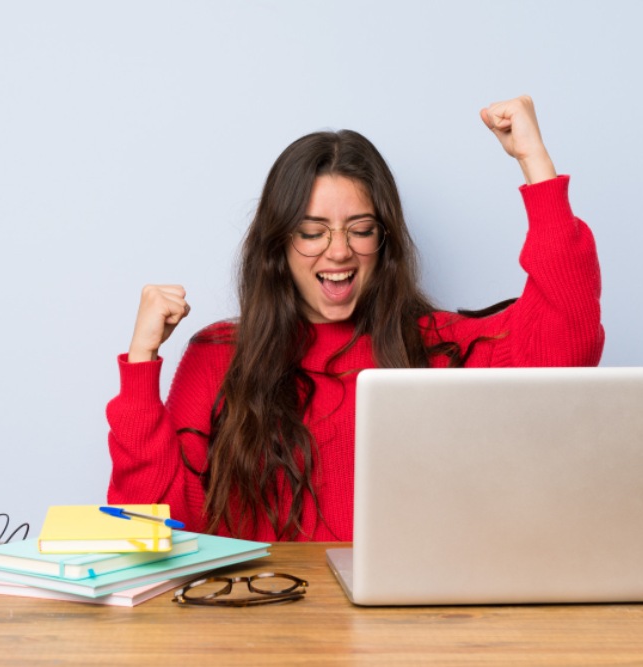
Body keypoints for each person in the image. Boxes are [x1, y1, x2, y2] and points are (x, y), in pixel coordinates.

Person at [106, 95, 604, 542]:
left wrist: (534, 163)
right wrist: (140, 365)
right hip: (262, 626)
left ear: (383, 241)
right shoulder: (219, 355)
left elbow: (567, 345)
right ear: (278, 244)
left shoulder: (438, 346)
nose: (339, 251)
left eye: (361, 229)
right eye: (312, 231)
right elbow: (149, 530)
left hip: (407, 631)